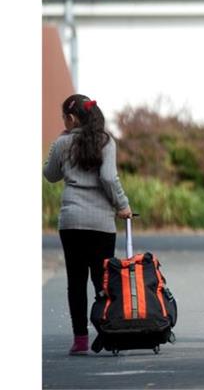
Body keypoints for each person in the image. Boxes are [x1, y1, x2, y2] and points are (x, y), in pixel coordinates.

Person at [43, 94, 132, 355]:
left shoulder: (62, 142)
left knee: (76, 280)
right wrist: (123, 205)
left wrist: (58, 143)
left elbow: (50, 175)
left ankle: (80, 340)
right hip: (101, 222)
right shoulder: (106, 141)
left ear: (71, 119)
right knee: (103, 280)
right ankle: (108, 333)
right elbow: (108, 177)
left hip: (71, 221)